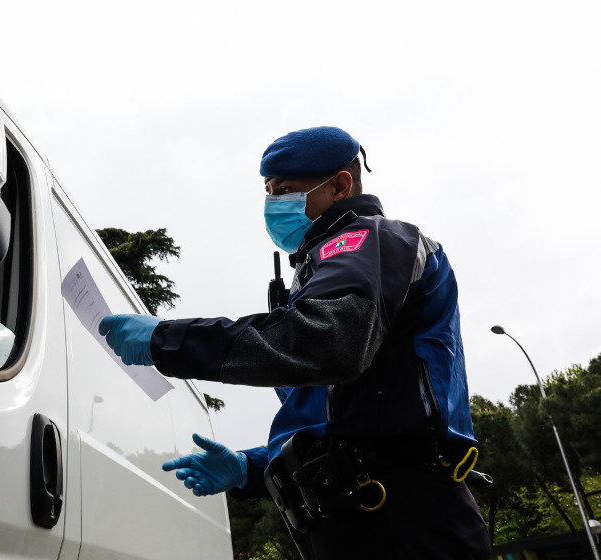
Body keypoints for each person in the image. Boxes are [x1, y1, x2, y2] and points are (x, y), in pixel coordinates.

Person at [98, 126, 491, 559]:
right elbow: (335, 416)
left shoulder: (370, 240)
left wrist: (166, 339)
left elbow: (327, 344)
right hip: (358, 514)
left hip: (402, 516)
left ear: (341, 185)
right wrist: (252, 467)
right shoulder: (326, 266)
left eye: (285, 190)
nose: (272, 205)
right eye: (268, 192)